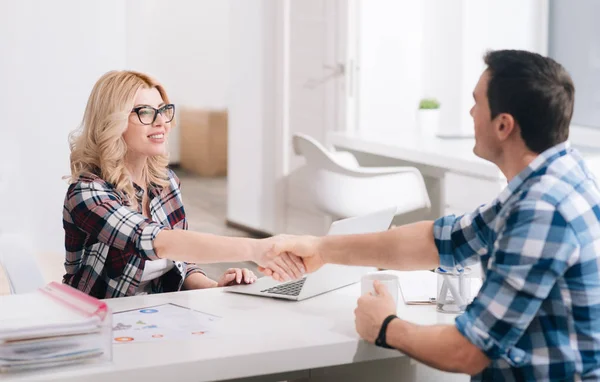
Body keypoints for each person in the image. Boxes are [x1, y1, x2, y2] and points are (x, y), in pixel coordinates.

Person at [265, 50, 600, 381]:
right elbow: (442, 240)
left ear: (503, 125)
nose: (470, 112)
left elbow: (467, 351)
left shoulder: (542, 210)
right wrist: (321, 248)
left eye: (476, 102)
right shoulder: (557, 176)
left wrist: (385, 327)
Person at [63, 70, 305, 299]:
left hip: (154, 316)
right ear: (112, 122)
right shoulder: (87, 194)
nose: (161, 122)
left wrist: (216, 287)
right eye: (145, 112)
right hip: (97, 321)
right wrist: (256, 248)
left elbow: (182, 262)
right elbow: (160, 242)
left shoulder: (164, 182)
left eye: (163, 110)